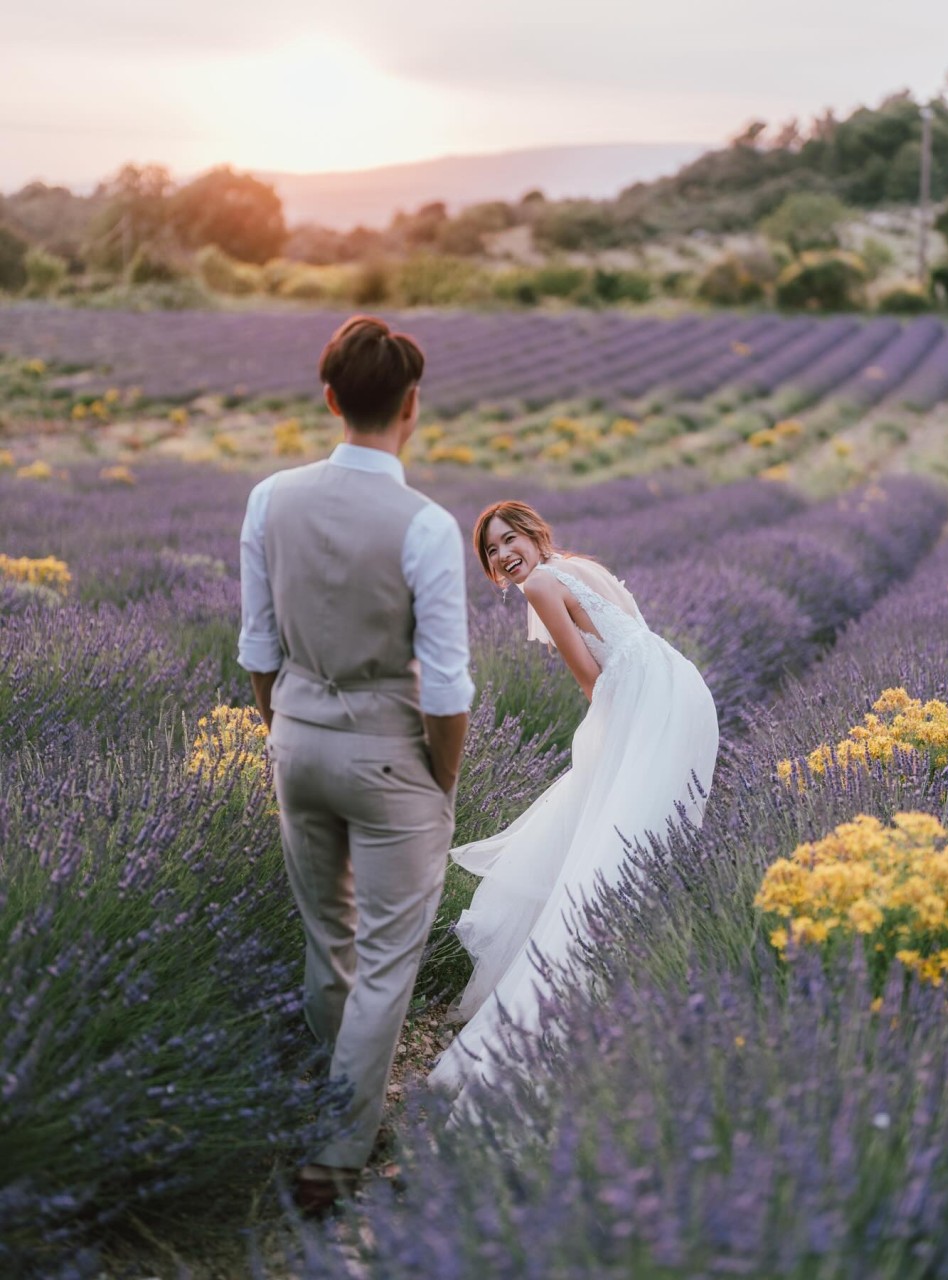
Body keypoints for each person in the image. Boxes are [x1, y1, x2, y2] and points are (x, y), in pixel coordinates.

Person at [238, 315, 474, 1214]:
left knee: (326, 944)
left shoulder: (270, 498)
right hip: (390, 757)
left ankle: (341, 1105)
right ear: (412, 407)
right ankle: (339, 1153)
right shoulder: (424, 525)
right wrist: (438, 781)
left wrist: (286, 728)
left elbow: (258, 646)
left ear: (330, 398)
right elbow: (447, 690)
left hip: (295, 740)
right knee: (385, 961)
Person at [428, 500, 718, 1105]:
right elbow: (635, 635)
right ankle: (638, 976)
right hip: (680, 686)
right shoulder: (583, 565)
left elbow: (590, 678)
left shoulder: (538, 583)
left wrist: (601, 737)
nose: (504, 556)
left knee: (608, 840)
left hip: (643, 700)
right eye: (491, 551)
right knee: (642, 833)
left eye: (510, 540)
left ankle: (566, 994)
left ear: (534, 536)